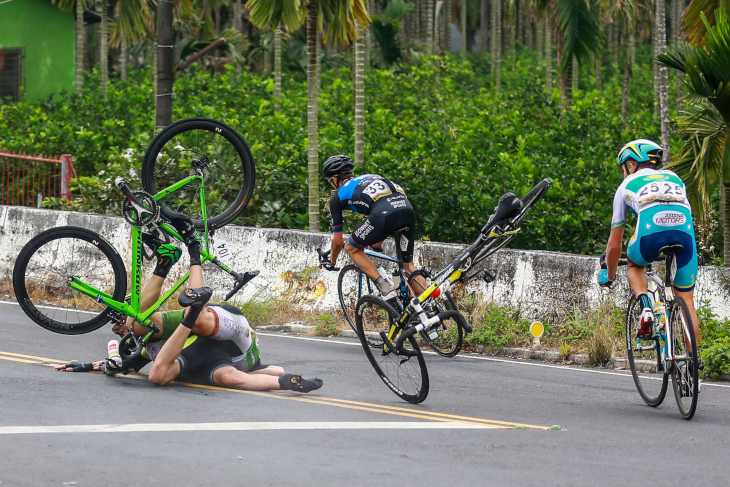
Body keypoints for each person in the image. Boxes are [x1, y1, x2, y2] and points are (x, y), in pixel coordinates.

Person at [58, 215, 323, 393]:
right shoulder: (145, 347)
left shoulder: (151, 324)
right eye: (118, 330)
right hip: (234, 358)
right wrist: (86, 366)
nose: (121, 331)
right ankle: (286, 380)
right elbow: (122, 365)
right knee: (228, 378)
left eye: (120, 326)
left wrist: (185, 317)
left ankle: (192, 251)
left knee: (187, 321)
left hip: (232, 331)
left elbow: (139, 327)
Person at [597, 139, 701, 353]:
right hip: (685, 234)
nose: (624, 173)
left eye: (624, 168)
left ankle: (646, 307)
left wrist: (610, 275)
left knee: (635, 265)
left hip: (650, 235)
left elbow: (614, 244)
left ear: (632, 164)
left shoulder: (626, 185)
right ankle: (693, 366)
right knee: (687, 301)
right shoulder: (674, 178)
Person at [321, 154, 420, 308]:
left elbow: (338, 242)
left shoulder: (338, 196)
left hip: (385, 214)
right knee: (409, 267)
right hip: (407, 209)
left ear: (334, 179)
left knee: (351, 248)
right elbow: (382, 216)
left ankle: (386, 290)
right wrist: (375, 244)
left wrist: (332, 261)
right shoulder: (370, 177)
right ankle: (427, 306)